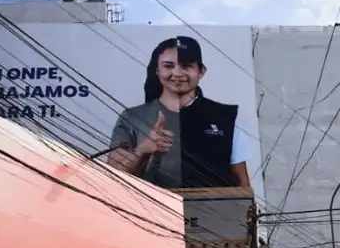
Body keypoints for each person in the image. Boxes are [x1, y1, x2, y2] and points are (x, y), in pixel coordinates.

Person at [108, 35, 252, 190]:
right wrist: (143, 149)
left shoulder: (226, 117)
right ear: (157, 70)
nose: (177, 73)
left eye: (186, 66)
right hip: (148, 211)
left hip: (213, 212)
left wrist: (246, 212)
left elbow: (241, 182)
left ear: (201, 71)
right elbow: (113, 175)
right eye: (169, 66)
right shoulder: (132, 117)